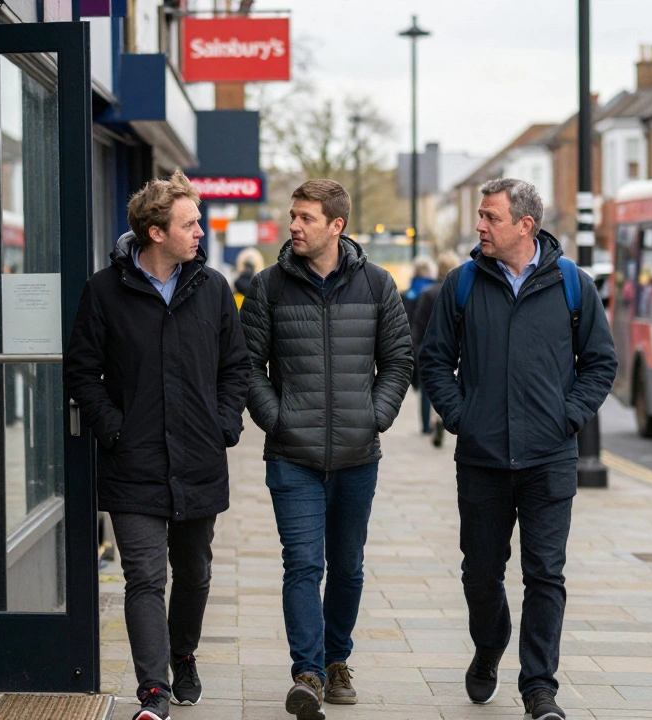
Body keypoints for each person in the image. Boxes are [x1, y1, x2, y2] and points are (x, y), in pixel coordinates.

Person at [419, 178, 617, 720]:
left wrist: (569, 417)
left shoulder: (573, 285)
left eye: (489, 217)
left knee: (545, 575)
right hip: (482, 460)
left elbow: (600, 362)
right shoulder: (462, 283)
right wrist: (461, 417)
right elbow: (433, 359)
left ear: (525, 226)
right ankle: (489, 646)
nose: (479, 225)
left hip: (549, 460)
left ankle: (539, 688)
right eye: (480, 216)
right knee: (480, 573)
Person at [65, 170, 250, 720]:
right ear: (155, 232)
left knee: (195, 573)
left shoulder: (213, 288)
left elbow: (236, 366)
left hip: (198, 457)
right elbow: (82, 372)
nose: (200, 232)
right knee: (144, 577)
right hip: (133, 463)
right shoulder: (104, 291)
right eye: (190, 223)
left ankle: (183, 652)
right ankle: (153, 689)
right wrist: (114, 429)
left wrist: (223, 424)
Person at [240, 179, 413, 720]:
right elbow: (247, 366)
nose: (294, 225)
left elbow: (400, 361)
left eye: (306, 218)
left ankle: (337, 660)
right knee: (302, 564)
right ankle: (308, 674)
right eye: (293, 216)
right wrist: (279, 420)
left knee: (348, 567)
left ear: (336, 226)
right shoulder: (269, 287)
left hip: (358, 457)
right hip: (292, 456)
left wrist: (375, 416)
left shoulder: (379, 285)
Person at [409, 251, 460, 437]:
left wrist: (416, 348)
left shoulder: (428, 293)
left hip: (428, 345)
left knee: (426, 390)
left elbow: (418, 324)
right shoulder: (458, 292)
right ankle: (444, 419)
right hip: (454, 347)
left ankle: (426, 425)